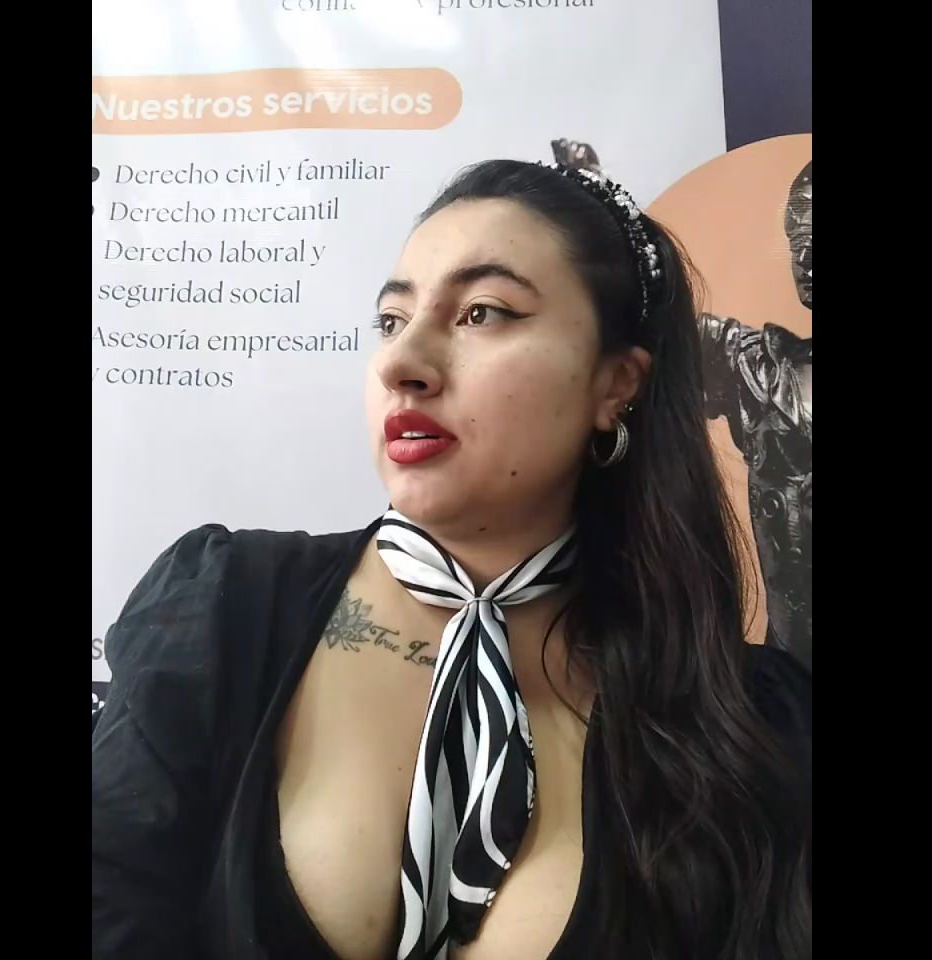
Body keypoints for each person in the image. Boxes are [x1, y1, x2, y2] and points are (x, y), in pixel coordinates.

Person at [92, 159, 812, 960]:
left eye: (482, 313)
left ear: (616, 384)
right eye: (392, 319)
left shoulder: (746, 720)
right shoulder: (223, 607)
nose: (401, 364)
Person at [699, 160, 813, 669]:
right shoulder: (759, 369)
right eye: (797, 241)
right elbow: (652, 322)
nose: (804, 259)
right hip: (787, 686)